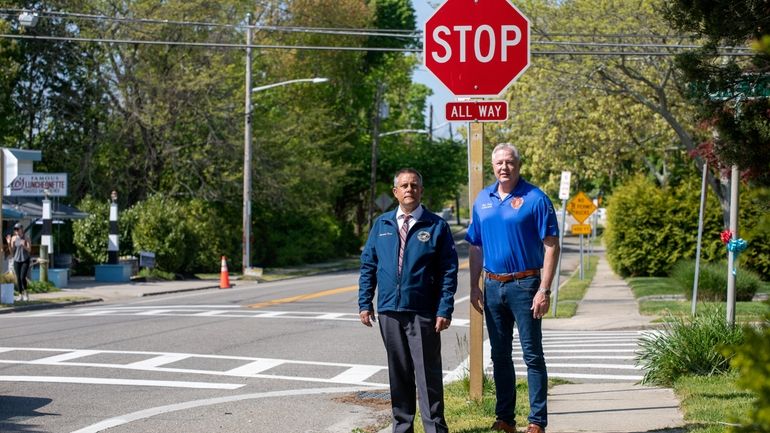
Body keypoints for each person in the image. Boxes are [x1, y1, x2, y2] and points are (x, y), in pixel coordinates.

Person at [466, 143, 560, 433]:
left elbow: (551, 246)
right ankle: (505, 418)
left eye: (509, 162)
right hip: (493, 286)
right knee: (500, 355)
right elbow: (475, 246)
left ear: (519, 165)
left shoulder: (536, 198)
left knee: (532, 355)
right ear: (492, 167)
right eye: (499, 163)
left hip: (526, 285)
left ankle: (537, 422)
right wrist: (474, 285)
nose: (504, 167)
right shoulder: (483, 199)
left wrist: (543, 289)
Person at [359, 168, 458, 433]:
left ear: (421, 191)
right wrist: (364, 302)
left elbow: (449, 270)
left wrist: (444, 308)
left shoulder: (436, 225)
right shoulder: (382, 225)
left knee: (428, 376)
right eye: (404, 185)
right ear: (395, 192)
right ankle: (402, 428)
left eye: (414, 185)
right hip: (390, 311)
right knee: (399, 374)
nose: (409, 189)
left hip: (423, 312)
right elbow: (368, 265)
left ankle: (435, 428)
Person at [7, 223, 32, 302]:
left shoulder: (26, 237)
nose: (16, 231)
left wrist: (23, 244)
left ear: (21, 229)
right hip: (17, 259)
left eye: (17, 229)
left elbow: (29, 250)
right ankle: (20, 295)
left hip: (25, 259)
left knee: (22, 277)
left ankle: (26, 294)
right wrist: (9, 243)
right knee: (18, 278)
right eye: (15, 229)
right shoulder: (14, 238)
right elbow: (11, 252)